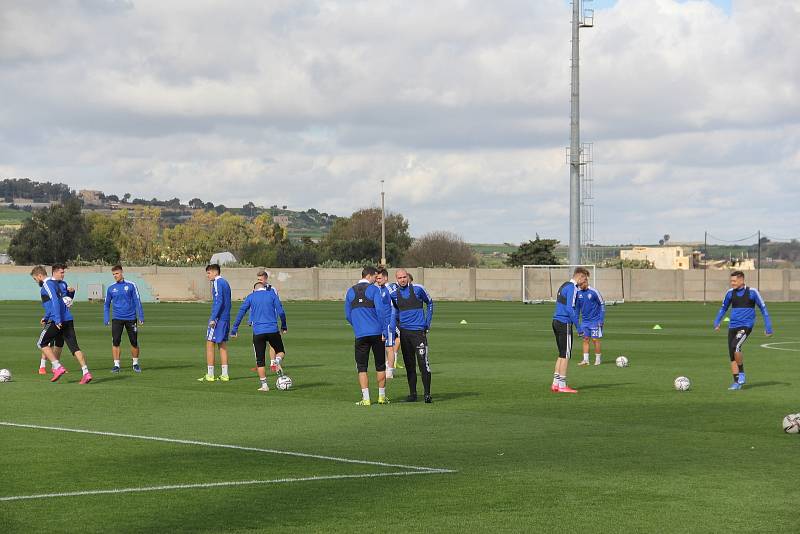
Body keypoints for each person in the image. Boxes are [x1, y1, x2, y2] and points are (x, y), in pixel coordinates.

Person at [713, 270, 773, 390]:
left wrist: (768, 327)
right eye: (731, 281)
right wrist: (717, 321)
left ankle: (741, 373)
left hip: (746, 326)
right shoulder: (730, 293)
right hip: (732, 326)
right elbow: (723, 308)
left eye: (734, 281)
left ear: (741, 280)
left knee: (736, 346)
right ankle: (737, 383)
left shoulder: (752, 292)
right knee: (732, 355)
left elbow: (763, 309)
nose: (732, 283)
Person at [344, 266, 390, 406]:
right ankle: (382, 397)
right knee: (380, 365)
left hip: (361, 335)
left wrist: (358, 326)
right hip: (377, 333)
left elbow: (347, 316)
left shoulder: (350, 291)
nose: (377, 280)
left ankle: (366, 399)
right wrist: (384, 330)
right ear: (369, 276)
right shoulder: (374, 290)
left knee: (362, 367)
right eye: (375, 277)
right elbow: (381, 312)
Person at [231, 281, 288, 391]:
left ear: (254, 289)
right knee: (281, 351)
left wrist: (234, 329)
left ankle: (264, 385)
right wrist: (284, 325)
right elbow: (281, 311)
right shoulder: (272, 295)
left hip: (258, 332)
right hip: (273, 330)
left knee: (260, 360)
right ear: (265, 288)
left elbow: (241, 312)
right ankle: (277, 360)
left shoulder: (251, 297)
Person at [389, 268, 434, 403]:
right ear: (396, 279)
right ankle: (413, 394)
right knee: (409, 364)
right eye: (400, 278)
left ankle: (427, 394)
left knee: (423, 363)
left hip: (418, 332)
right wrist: (395, 327)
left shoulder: (418, 289)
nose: (402, 280)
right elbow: (395, 310)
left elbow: (430, 303)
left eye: (404, 277)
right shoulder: (394, 294)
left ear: (408, 277)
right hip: (404, 333)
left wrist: (427, 323)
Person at [50, 263, 93, 384]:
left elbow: (67, 300)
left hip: (63, 320)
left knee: (45, 343)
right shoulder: (50, 284)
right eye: (61, 272)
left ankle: (85, 372)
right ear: (54, 272)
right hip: (58, 319)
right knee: (58, 344)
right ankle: (56, 368)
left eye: (64, 272)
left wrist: (71, 293)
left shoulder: (63, 284)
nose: (63, 274)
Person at [550, 267, 589, 393]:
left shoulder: (564, 285)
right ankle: (562, 385)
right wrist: (578, 327)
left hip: (555, 321)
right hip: (564, 322)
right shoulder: (572, 288)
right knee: (566, 355)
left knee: (561, 354)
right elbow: (570, 309)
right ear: (580, 276)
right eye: (585, 278)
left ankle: (555, 383)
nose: (584, 281)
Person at [104, 265, 145, 373]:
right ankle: (116, 365)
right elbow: (106, 304)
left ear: (122, 272)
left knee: (134, 341)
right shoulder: (111, 288)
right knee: (116, 341)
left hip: (131, 318)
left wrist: (141, 316)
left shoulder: (131, 285)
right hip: (117, 318)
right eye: (113, 274)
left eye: (117, 273)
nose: (115, 276)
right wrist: (106, 317)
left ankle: (135, 363)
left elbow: (137, 300)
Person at [31, 265, 67, 381]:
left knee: (41, 343)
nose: (36, 281)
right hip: (53, 317)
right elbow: (52, 304)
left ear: (39, 276)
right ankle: (55, 367)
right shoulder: (54, 284)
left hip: (54, 319)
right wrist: (46, 317)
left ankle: (57, 366)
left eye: (35, 279)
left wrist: (56, 319)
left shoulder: (47, 284)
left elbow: (55, 301)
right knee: (53, 343)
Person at [198, 264, 232, 383]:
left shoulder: (217, 282)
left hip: (218, 319)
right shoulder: (226, 282)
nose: (207, 276)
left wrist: (213, 318)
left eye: (208, 273)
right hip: (225, 317)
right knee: (222, 345)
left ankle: (210, 374)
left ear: (215, 272)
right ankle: (225, 374)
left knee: (209, 343)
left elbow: (219, 301)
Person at [257, 270, 282, 372]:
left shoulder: (272, 289)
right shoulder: (256, 289)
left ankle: (273, 363)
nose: (259, 281)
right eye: (258, 279)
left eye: (261, 279)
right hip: (259, 320)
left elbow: (277, 304)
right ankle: (260, 363)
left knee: (272, 343)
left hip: (271, 319)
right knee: (260, 343)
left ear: (266, 279)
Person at [576, 279, 605, 366]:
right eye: (579, 285)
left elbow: (602, 305)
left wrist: (601, 319)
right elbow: (577, 308)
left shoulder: (594, 291)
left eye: (581, 284)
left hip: (595, 321)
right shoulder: (578, 293)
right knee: (585, 339)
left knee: (595, 340)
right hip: (585, 322)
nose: (580, 286)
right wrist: (576, 321)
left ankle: (598, 359)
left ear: (586, 282)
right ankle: (586, 360)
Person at [374, 268, 398, 379]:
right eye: (376, 278)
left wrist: (393, 322)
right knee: (384, 347)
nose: (377, 280)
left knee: (389, 347)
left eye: (379, 278)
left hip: (389, 322)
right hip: (381, 323)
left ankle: (390, 371)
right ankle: (385, 367)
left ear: (385, 277)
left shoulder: (390, 288)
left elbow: (395, 306)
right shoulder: (380, 289)